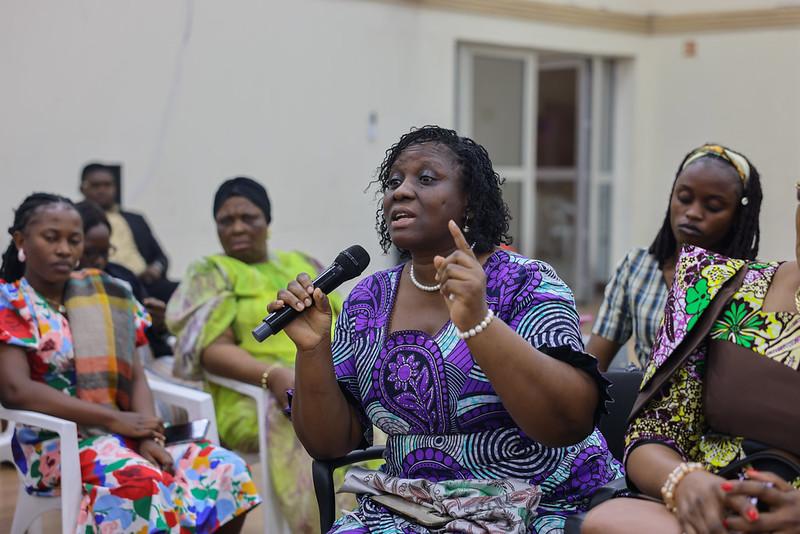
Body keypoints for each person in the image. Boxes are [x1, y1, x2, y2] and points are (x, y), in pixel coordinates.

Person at [275, 126, 622, 533]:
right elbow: (329, 444)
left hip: (538, 501)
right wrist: (313, 350)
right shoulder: (368, 299)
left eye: (425, 179)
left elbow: (570, 421)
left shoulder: (525, 283)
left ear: (469, 202)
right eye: (394, 182)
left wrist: (479, 323)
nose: (400, 192)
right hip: (412, 508)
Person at [0, 193, 260, 532]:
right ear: (21, 240)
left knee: (227, 468)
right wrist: (117, 420)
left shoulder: (109, 294)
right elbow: (15, 390)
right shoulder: (11, 302)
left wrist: (148, 434)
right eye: (51, 238)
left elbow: (135, 374)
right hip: (54, 444)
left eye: (73, 240)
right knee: (140, 484)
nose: (65, 249)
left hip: (123, 431)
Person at [581, 183, 800, 534]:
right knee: (606, 521)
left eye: (713, 203)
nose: (693, 212)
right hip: (702, 508)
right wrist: (683, 482)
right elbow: (653, 434)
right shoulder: (716, 286)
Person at [166, 176, 345, 533]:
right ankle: (324, 525)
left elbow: (341, 324)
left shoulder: (300, 262)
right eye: (226, 221)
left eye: (249, 218)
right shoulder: (212, 271)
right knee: (305, 411)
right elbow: (212, 351)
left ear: (268, 221)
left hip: (324, 375)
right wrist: (275, 376)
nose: (237, 228)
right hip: (250, 394)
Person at [587, 144, 763, 371]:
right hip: (644, 405)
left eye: (713, 206)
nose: (693, 213)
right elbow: (593, 365)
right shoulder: (637, 267)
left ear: (738, 216)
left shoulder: (752, 283)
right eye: (685, 198)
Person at [75, 200, 172, 357]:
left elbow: (151, 341)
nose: (99, 261)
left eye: (105, 252)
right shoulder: (60, 285)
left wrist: (158, 325)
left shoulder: (123, 279)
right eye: (90, 253)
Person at [80, 162, 178, 302]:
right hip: (107, 280)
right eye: (96, 186)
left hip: (145, 282)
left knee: (183, 293)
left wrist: (155, 269)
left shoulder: (136, 219)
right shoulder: (77, 218)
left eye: (107, 185)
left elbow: (161, 257)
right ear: (83, 188)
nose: (102, 190)